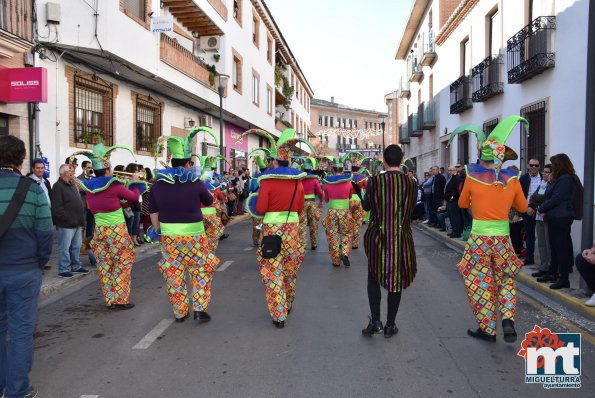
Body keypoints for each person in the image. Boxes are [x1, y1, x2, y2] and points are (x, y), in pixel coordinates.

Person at [453, 116, 529, 343]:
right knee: (505, 279)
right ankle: (507, 319)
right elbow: (523, 207)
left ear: (481, 157)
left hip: (479, 239)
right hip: (503, 238)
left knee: (480, 281)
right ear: (502, 158)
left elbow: (461, 204)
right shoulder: (512, 180)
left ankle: (488, 329)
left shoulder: (472, 179)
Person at [0, 136, 53, 398]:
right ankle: (17, 391)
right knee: (21, 331)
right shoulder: (31, 190)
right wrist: (40, 262)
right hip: (23, 269)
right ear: (22, 161)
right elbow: (45, 233)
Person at [150, 127, 220, 322]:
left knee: (173, 271)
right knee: (201, 269)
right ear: (187, 163)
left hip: (169, 235)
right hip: (195, 234)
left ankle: (180, 312)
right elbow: (208, 201)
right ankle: (199, 308)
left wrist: (158, 231)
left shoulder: (157, 184)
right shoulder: (195, 182)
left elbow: (153, 211)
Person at [247, 129, 310, 328]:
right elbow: (300, 208)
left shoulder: (267, 182)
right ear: (289, 162)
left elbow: (261, 208)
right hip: (292, 229)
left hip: (272, 230)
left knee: (272, 270)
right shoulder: (298, 183)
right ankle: (288, 301)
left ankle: (279, 314)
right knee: (290, 269)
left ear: (274, 162)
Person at [74, 144, 146, 310]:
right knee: (122, 263)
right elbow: (134, 197)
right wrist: (135, 183)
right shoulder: (114, 185)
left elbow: (100, 205)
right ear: (107, 170)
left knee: (105, 265)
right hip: (117, 230)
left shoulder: (90, 186)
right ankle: (121, 300)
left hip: (99, 230)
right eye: (111, 168)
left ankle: (110, 300)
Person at [361, 145, 417, 338]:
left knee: (373, 277)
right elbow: (411, 211)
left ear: (384, 160)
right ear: (402, 160)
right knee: (397, 280)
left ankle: (376, 321)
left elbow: (366, 206)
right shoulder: (411, 183)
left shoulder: (374, 181)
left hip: (378, 236)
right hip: (401, 237)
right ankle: (390, 325)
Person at [536, 154, 582, 289]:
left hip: (561, 217)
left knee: (561, 248)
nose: (553, 167)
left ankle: (564, 278)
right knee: (555, 247)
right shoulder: (559, 179)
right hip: (555, 217)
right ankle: (552, 273)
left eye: (554, 164)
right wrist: (551, 182)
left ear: (560, 164)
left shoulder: (566, 179)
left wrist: (542, 208)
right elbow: (549, 194)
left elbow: (557, 198)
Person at [51, 164, 89, 278]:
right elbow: (57, 208)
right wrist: (67, 219)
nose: (73, 172)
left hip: (76, 222)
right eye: (70, 170)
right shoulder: (58, 186)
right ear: (65, 173)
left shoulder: (72, 184)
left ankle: (76, 266)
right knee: (65, 247)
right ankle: (63, 268)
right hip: (67, 223)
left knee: (76, 246)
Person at [322, 157, 355, 267]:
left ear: (333, 169)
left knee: (333, 235)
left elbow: (326, 199)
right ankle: (345, 252)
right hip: (345, 211)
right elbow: (350, 196)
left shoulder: (327, 182)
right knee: (347, 233)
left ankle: (336, 260)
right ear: (342, 169)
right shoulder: (348, 183)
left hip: (332, 211)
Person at [529, 164, 552, 278]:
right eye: (544, 172)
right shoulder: (541, 184)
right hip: (538, 217)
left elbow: (544, 199)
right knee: (542, 244)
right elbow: (533, 198)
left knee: (548, 244)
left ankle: (550, 267)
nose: (544, 174)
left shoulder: (552, 185)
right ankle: (543, 267)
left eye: (547, 172)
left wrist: (537, 198)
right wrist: (537, 199)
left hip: (547, 217)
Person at [520, 159, 542, 265]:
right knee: (530, 235)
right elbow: (520, 195)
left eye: (536, 165)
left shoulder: (544, 178)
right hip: (527, 210)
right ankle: (529, 258)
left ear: (539, 166)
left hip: (541, 210)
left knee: (543, 237)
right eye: (532, 165)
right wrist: (526, 208)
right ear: (528, 166)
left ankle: (545, 262)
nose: (534, 167)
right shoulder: (523, 178)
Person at [345, 152, 367, 249]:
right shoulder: (362, 178)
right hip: (358, 201)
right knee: (357, 223)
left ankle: (346, 242)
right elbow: (367, 188)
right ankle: (355, 244)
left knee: (348, 222)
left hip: (348, 200)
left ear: (351, 169)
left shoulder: (346, 178)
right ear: (359, 169)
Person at [301, 158, 323, 250]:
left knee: (302, 224)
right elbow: (320, 192)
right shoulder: (314, 180)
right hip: (312, 203)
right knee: (313, 224)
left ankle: (303, 244)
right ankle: (314, 244)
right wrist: (321, 201)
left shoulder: (300, 179)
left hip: (301, 203)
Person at [77, 160, 95, 254]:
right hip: (83, 205)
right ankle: (81, 246)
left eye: (91, 167)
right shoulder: (79, 178)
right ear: (84, 168)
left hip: (92, 206)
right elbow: (82, 189)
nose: (90, 169)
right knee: (82, 225)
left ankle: (88, 244)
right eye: (88, 167)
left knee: (91, 226)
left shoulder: (93, 178)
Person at [444, 165, 462, 238]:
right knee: (451, 217)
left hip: (453, 201)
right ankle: (453, 231)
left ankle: (456, 233)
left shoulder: (457, 178)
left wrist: (452, 198)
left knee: (455, 217)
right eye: (449, 170)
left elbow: (457, 190)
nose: (449, 172)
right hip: (449, 201)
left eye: (451, 170)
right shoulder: (451, 178)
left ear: (455, 170)